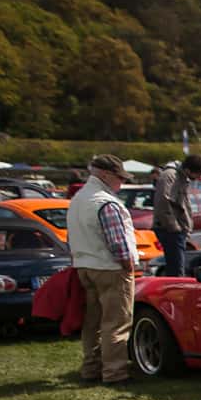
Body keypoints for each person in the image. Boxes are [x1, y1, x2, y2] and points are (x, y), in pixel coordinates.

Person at [66, 154, 140, 385]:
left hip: (85, 265)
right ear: (106, 175)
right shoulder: (105, 202)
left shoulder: (79, 199)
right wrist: (128, 266)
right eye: (120, 178)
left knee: (92, 322)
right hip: (109, 267)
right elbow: (118, 243)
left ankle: (91, 368)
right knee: (116, 322)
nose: (122, 183)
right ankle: (114, 372)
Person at [150, 154, 201, 276]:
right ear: (188, 170)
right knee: (176, 268)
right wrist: (174, 228)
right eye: (198, 174)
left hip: (176, 229)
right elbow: (163, 203)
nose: (198, 178)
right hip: (169, 229)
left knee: (177, 266)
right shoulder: (170, 176)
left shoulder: (181, 177)